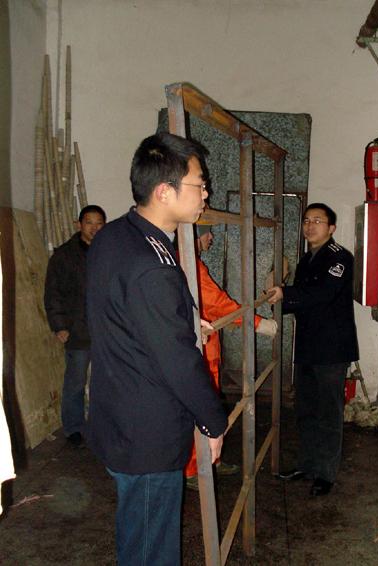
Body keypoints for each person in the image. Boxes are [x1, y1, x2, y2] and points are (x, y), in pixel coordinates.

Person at [86, 132, 228, 565]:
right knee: (151, 548)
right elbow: (178, 361)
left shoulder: (116, 236)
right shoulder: (154, 264)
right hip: (148, 431)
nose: (206, 194)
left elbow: (122, 312)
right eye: (199, 184)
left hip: (117, 413)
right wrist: (213, 422)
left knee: (138, 534)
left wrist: (178, 320)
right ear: (165, 191)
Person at [267, 202, 359, 497]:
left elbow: (323, 294)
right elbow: (303, 301)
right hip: (307, 345)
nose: (310, 226)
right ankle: (307, 465)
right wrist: (279, 300)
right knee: (305, 409)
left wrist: (286, 294)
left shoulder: (339, 257)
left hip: (331, 349)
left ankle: (325, 474)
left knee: (328, 412)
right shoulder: (307, 259)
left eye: (317, 221)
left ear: (331, 228)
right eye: (307, 220)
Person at [184, 224, 278, 490]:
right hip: (198, 349)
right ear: (196, 235)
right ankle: (192, 469)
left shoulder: (190, 262)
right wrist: (257, 323)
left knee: (207, 405)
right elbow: (217, 303)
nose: (211, 237)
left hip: (204, 347)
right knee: (199, 406)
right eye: (207, 232)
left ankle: (210, 460)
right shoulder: (189, 264)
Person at [44, 204, 106, 447]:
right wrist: (59, 325)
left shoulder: (108, 252)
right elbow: (53, 294)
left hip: (105, 330)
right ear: (79, 225)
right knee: (76, 382)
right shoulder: (64, 256)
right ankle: (74, 428)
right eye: (89, 223)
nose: (94, 228)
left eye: (99, 223)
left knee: (106, 381)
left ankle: (103, 426)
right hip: (77, 329)